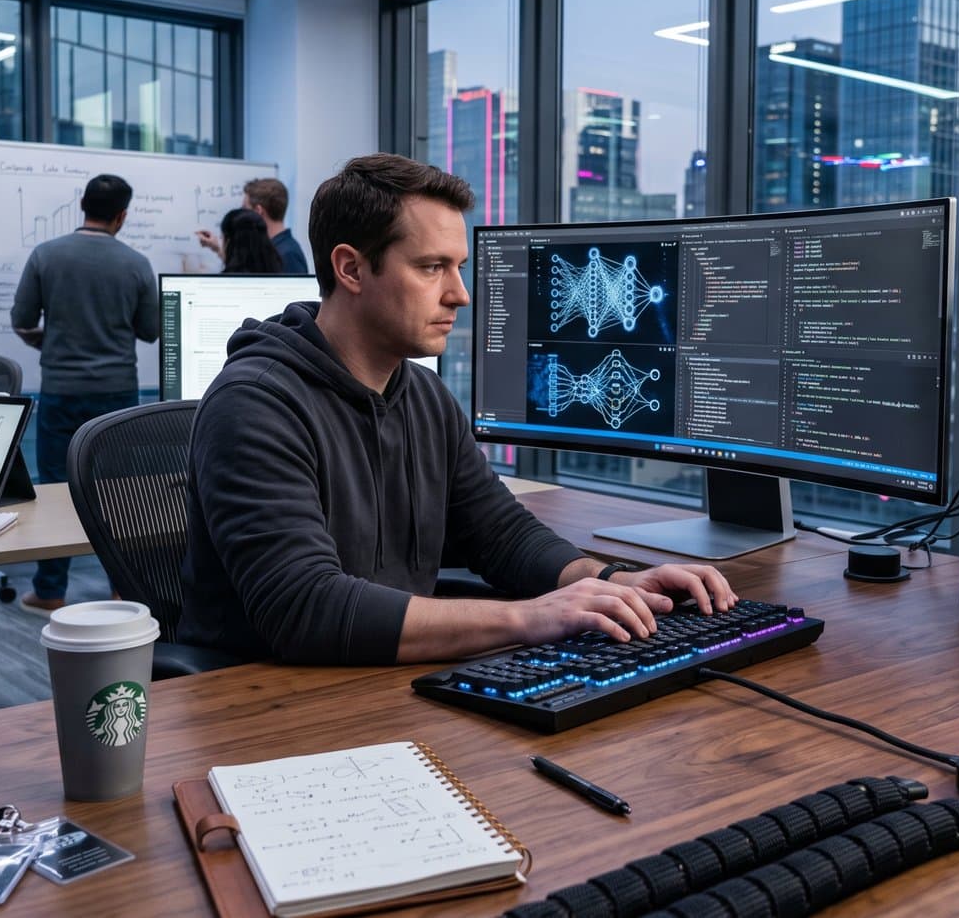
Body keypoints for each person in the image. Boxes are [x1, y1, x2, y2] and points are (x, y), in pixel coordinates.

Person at [178, 153, 736, 666]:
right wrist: (529, 617)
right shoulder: (253, 405)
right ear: (350, 269)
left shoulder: (421, 394)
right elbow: (305, 608)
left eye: (459, 267)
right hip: (266, 705)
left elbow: (498, 533)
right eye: (431, 267)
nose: (460, 294)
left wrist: (613, 581)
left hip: (383, 683)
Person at [10, 174, 157, 614]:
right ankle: (120, 588)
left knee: (54, 488)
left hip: (61, 388)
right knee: (116, 490)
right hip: (116, 392)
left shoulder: (46, 255)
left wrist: (51, 343)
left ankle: (50, 589)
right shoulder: (135, 263)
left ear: (83, 207)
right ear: (121, 215)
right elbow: (150, 331)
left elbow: (21, 318)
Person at [197, 177, 307, 274]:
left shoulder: (288, 255)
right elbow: (248, 271)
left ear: (258, 211)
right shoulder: (271, 248)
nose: (242, 213)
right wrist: (217, 248)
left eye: (245, 208)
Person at [195, 207, 286, 274]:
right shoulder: (277, 270)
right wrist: (217, 249)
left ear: (228, 242)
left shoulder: (228, 283)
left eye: (222, 238)